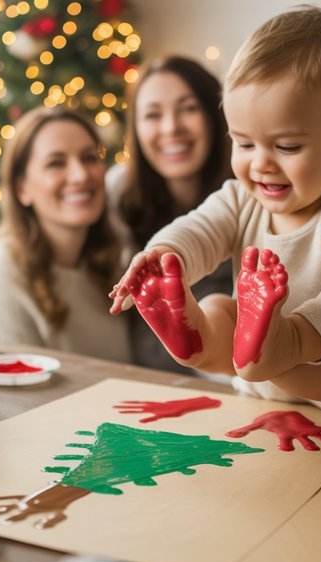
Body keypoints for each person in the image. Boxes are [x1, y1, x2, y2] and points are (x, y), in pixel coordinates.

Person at [109, 6, 321, 413]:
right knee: (219, 306)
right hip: (256, 373)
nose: (261, 164)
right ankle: (196, 339)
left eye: (286, 146)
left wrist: (296, 338)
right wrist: (165, 259)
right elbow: (198, 230)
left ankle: (267, 351)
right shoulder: (240, 198)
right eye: (244, 143)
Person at [0, 107, 131, 363]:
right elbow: (19, 397)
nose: (80, 175)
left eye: (90, 158)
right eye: (55, 163)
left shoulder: (115, 259)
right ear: (22, 188)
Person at [108, 55, 234, 373]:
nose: (171, 128)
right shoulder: (116, 197)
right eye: (152, 115)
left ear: (215, 115)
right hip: (143, 388)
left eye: (188, 109)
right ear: (135, 129)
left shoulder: (248, 198)